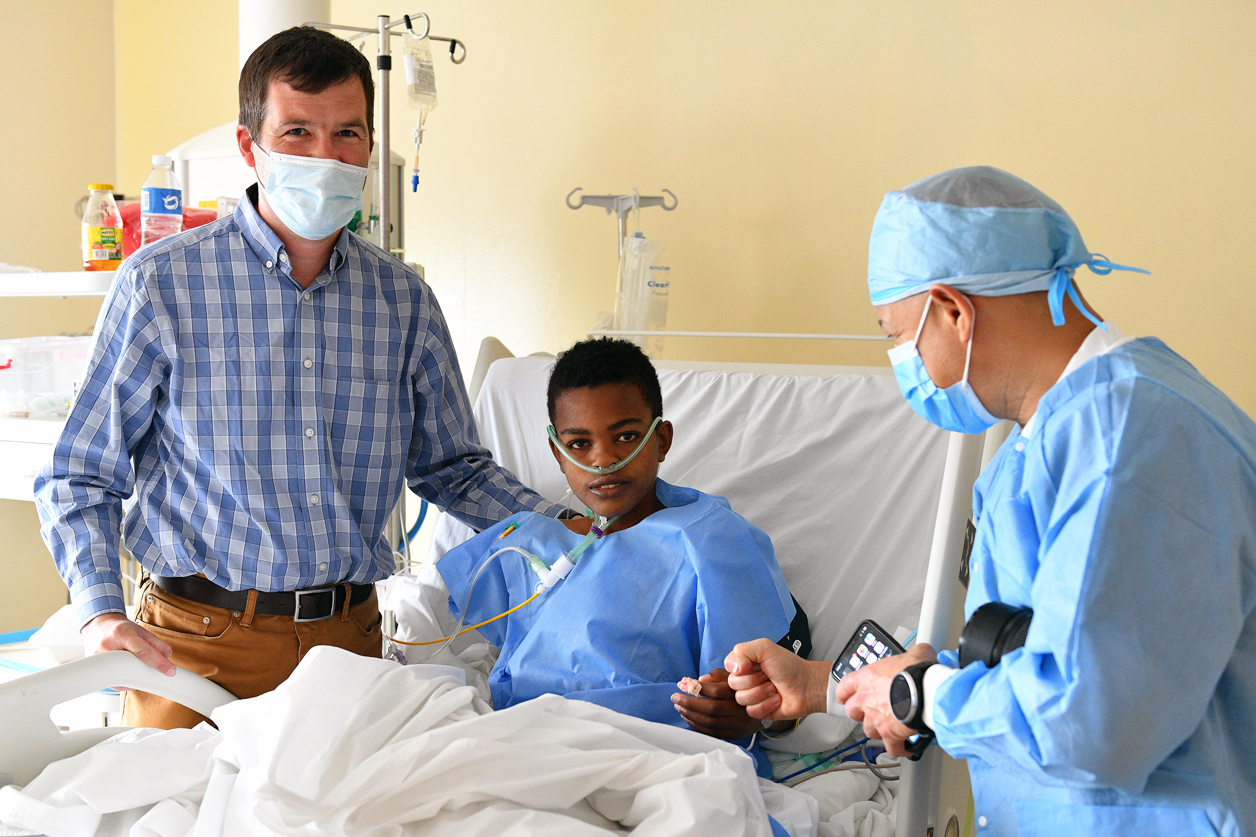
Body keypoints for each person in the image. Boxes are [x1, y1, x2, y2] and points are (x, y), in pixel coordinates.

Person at [34, 26, 559, 729]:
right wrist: (99, 608)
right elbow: (81, 473)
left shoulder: (404, 302)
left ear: (370, 145)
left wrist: (560, 529)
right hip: (192, 646)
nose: (326, 156)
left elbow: (453, 469)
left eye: (347, 133)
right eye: (297, 132)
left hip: (348, 645)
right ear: (250, 148)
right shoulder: (161, 286)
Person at [725, 166, 1256, 835]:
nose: (900, 360)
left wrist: (923, 694)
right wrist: (830, 686)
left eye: (894, 333)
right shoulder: (1040, 448)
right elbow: (1032, 662)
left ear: (953, 310)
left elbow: (1091, 718)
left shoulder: (1129, 436)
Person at [435, 337, 798, 777]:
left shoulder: (711, 538)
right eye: (580, 443)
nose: (603, 461)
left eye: (625, 437)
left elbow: (777, 681)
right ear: (557, 453)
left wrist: (753, 713)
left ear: (661, 439)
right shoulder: (525, 542)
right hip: (524, 752)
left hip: (660, 759)